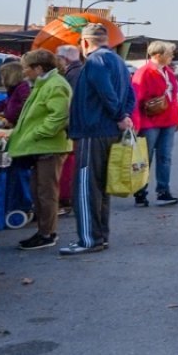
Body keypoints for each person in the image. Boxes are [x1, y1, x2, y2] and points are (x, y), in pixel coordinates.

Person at [61, 21, 134, 256]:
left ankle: (89, 239)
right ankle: (99, 236)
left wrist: (119, 114)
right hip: (109, 130)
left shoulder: (95, 61)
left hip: (93, 131)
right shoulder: (118, 62)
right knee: (101, 187)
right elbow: (130, 94)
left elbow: (106, 92)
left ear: (84, 42)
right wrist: (124, 116)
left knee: (86, 185)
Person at [5, 49, 71, 251]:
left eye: (26, 68)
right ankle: (44, 232)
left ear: (39, 68)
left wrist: (36, 134)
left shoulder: (55, 85)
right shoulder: (43, 83)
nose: (24, 72)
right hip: (42, 146)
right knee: (39, 191)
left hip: (50, 146)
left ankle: (47, 234)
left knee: (46, 193)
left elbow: (59, 117)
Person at [130, 41, 178, 206]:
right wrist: (136, 122)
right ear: (158, 55)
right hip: (149, 122)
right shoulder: (143, 73)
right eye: (169, 54)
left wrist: (177, 120)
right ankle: (140, 191)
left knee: (165, 157)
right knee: (147, 158)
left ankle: (163, 191)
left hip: (168, 121)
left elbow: (174, 98)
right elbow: (135, 99)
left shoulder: (168, 72)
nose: (172, 57)